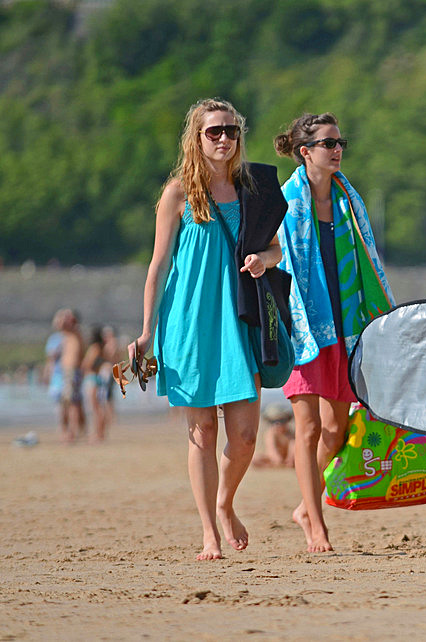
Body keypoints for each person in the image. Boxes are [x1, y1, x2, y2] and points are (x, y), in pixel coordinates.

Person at [129, 98, 284, 560]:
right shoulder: (178, 193)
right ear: (195, 138)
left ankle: (225, 502)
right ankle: (208, 532)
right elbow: (158, 267)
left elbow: (276, 249)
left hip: (239, 318)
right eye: (213, 131)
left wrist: (263, 259)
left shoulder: (252, 190)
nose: (224, 139)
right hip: (189, 322)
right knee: (201, 431)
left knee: (246, 436)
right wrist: (144, 332)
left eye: (231, 131)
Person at [274, 112, 394, 553]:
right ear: (305, 152)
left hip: (347, 328)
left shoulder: (348, 201)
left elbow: (369, 261)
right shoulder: (285, 201)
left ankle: (305, 505)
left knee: (336, 430)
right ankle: (315, 522)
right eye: (328, 143)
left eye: (340, 142)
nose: (337, 149)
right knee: (306, 429)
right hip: (302, 327)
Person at [58, 309, 86, 444]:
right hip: (67, 372)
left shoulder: (75, 331)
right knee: (71, 402)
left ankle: (72, 433)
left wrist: (65, 315)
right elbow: (58, 325)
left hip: (73, 371)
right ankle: (76, 431)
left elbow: (59, 324)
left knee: (72, 403)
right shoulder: (68, 334)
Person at [81, 326, 111, 442]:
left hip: (92, 377)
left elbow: (88, 364)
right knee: (99, 407)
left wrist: (83, 367)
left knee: (95, 408)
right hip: (97, 377)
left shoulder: (94, 348)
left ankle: (97, 434)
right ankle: (100, 433)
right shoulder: (102, 348)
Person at [253, 403, 296, 468]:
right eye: (274, 422)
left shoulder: (290, 433)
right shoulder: (271, 433)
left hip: (288, 458)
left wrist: (290, 458)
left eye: (282, 421)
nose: (278, 424)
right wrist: (277, 459)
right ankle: (277, 465)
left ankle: (282, 464)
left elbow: (293, 448)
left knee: (294, 444)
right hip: (273, 458)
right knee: (255, 459)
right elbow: (272, 450)